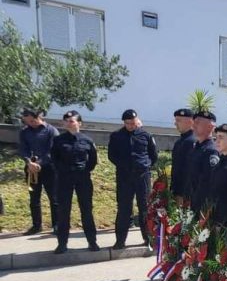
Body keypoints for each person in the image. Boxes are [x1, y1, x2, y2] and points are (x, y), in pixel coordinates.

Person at [108, 109, 158, 250]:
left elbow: (153, 155)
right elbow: (111, 155)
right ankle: (120, 241)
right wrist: (123, 165)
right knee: (124, 208)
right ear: (124, 123)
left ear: (138, 120)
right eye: (128, 123)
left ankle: (148, 238)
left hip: (142, 176)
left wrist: (145, 166)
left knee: (145, 208)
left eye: (133, 122)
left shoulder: (146, 135)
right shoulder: (116, 136)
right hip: (124, 177)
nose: (131, 125)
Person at [51, 110, 99, 254]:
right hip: (65, 179)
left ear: (79, 123)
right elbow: (54, 159)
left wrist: (83, 170)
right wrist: (64, 170)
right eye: (66, 121)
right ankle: (62, 244)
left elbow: (93, 160)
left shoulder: (87, 140)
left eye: (71, 121)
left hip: (82, 178)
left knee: (86, 210)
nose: (68, 123)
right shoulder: (58, 140)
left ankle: (92, 242)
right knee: (63, 211)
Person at [18, 108, 59, 236]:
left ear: (38, 117)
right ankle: (36, 225)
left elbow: (53, 151)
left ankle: (57, 225)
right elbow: (23, 149)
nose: (29, 123)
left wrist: (39, 163)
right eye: (27, 121)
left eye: (31, 120)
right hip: (31, 169)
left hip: (49, 169)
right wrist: (28, 162)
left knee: (54, 197)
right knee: (34, 198)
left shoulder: (51, 130)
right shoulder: (24, 132)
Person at [184, 111, 219, 214]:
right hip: (192, 201)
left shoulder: (211, 151)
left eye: (198, 123)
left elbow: (209, 183)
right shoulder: (197, 147)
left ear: (210, 127)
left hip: (203, 206)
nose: (193, 126)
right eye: (193, 123)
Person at [170, 108, 196, 205]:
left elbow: (189, 171)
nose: (175, 123)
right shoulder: (180, 141)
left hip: (185, 193)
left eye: (178, 121)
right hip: (177, 190)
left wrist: (184, 194)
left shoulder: (192, 141)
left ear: (190, 122)